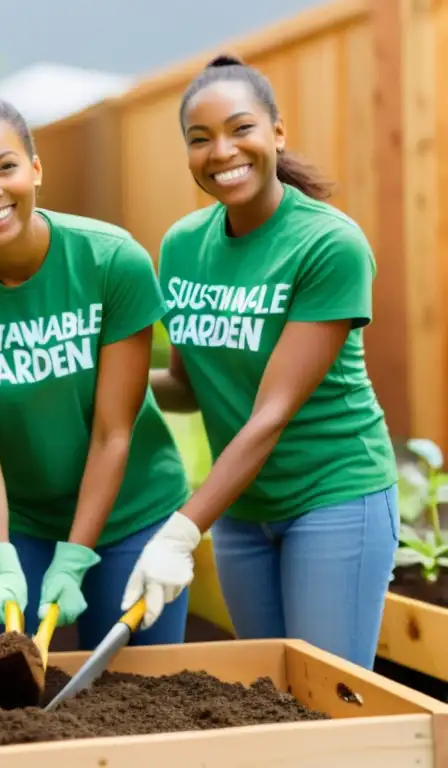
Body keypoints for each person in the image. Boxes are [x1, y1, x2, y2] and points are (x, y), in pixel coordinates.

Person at [122, 54, 399, 669]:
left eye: (240, 129)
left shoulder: (328, 244)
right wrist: (102, 381)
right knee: (268, 700)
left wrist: (181, 528)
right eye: (200, 139)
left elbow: (270, 413)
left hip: (334, 498)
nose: (222, 151)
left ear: (277, 132)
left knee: (327, 702)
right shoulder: (183, 245)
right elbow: (189, 387)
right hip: (243, 512)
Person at [0, 92, 191, 656]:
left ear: (34, 169)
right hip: (13, 522)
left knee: (145, 700)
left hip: (131, 512)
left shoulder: (110, 262)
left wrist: (77, 554)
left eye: (5, 167)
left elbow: (114, 431)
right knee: (3, 699)